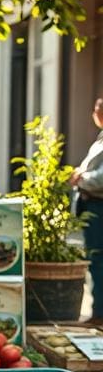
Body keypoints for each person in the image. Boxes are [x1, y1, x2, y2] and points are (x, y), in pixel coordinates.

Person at [70, 97, 103, 324]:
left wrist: (81, 178)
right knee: (95, 260)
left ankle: (99, 313)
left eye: (97, 109)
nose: (94, 113)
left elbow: (101, 178)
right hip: (92, 206)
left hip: (98, 207)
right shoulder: (100, 138)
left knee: (98, 259)